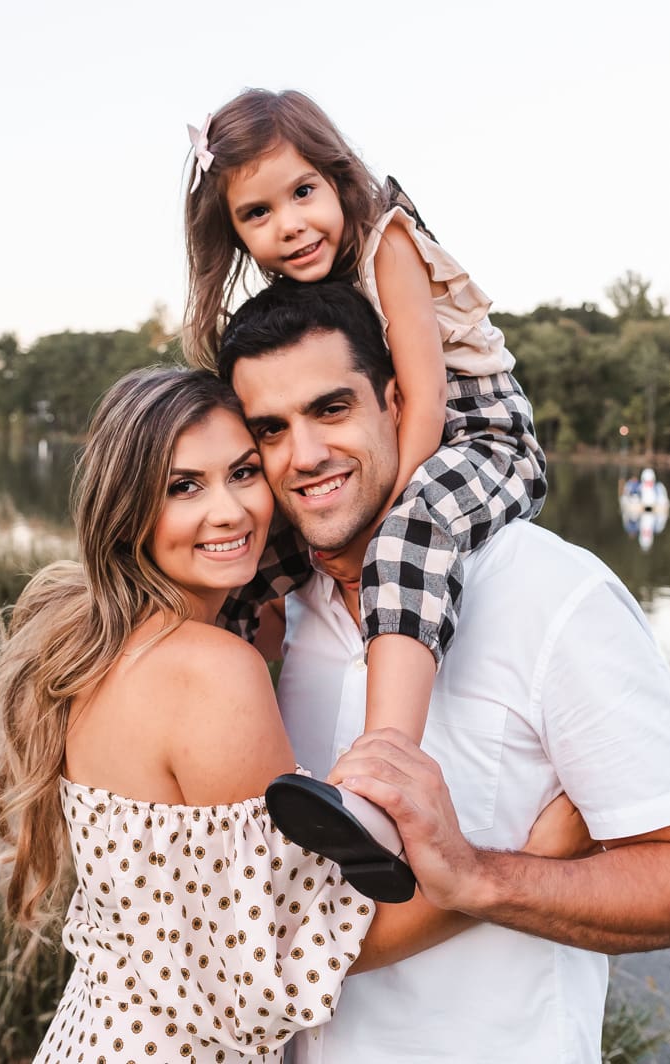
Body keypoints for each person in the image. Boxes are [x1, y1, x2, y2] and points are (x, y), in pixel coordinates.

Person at [0, 366, 578, 1063]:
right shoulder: (210, 668)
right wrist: (531, 859)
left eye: (243, 473)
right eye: (183, 487)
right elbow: (285, 962)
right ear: (126, 510)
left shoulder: (104, 646)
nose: (230, 511)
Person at [218, 278, 670, 1064]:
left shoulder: (553, 595)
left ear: (398, 402)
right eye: (271, 429)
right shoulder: (269, 617)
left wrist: (480, 878)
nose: (306, 455)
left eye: (332, 409)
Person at [182, 89, 547, 809]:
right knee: (250, 560)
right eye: (257, 213)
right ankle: (203, 732)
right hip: (408, 446)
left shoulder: (388, 244)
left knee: (407, 536)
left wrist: (380, 519)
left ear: (338, 175)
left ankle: (385, 772)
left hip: (483, 438)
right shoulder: (301, 296)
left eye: (303, 192)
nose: (289, 225)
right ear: (233, 233)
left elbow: (424, 399)